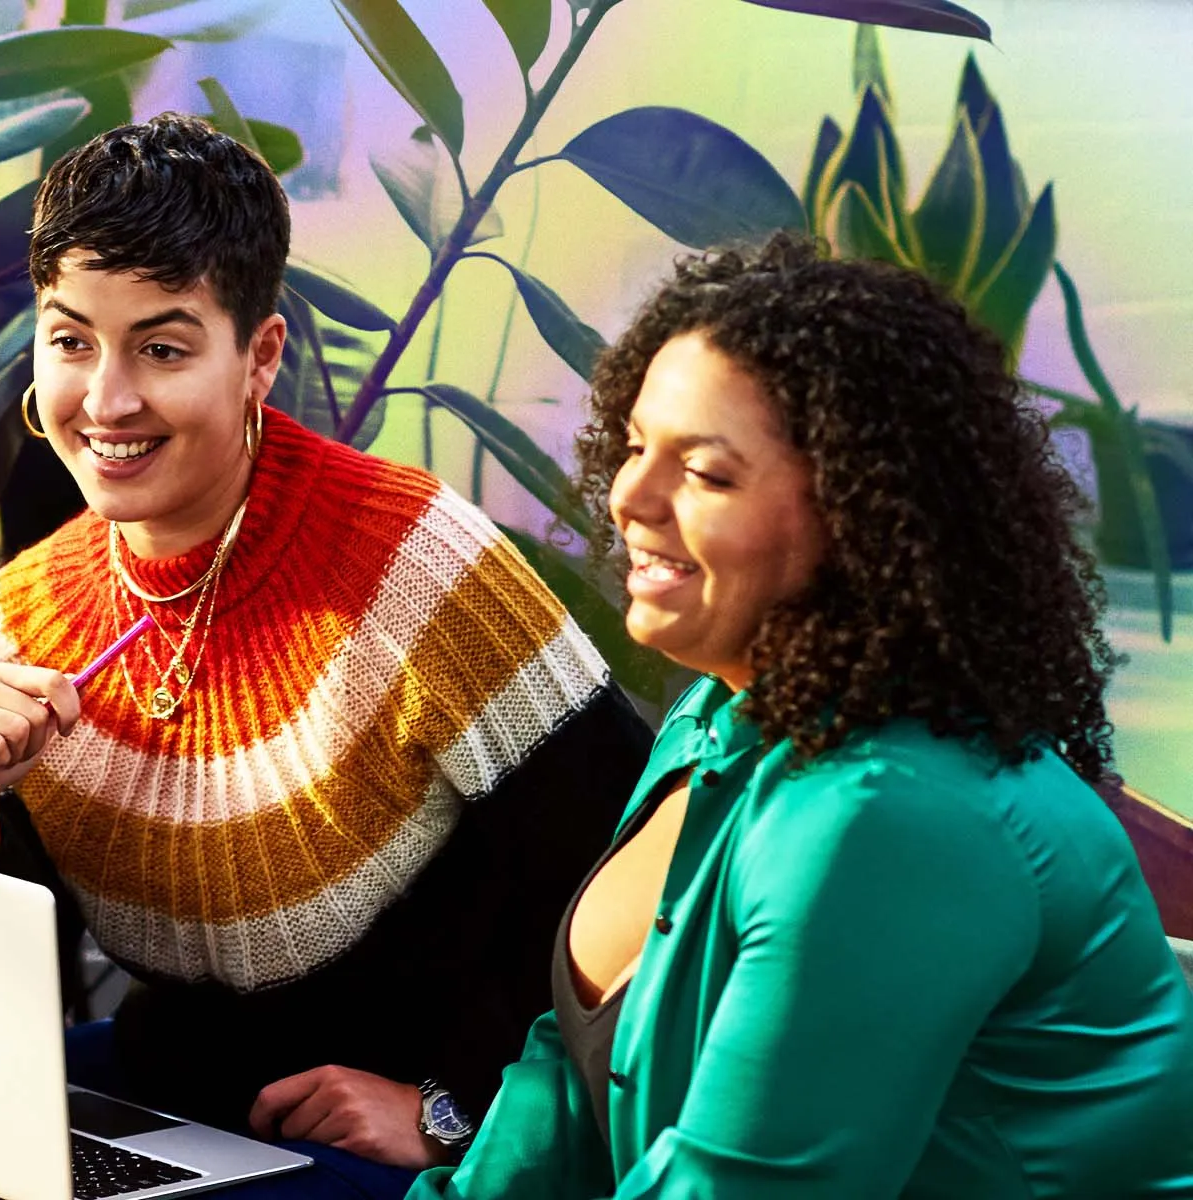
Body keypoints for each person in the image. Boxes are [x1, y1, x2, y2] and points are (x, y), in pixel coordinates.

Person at [0, 113, 652, 1197]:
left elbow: (638, 873)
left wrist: (451, 1103)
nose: (107, 400)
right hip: (171, 1094)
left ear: (260, 358)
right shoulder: (15, 619)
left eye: (164, 346)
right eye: (71, 340)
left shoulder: (419, 566)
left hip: (392, 1123)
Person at [411, 234, 1193, 1199]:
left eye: (705, 473)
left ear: (859, 511)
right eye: (636, 447)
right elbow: (566, 1087)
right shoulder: (720, 712)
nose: (630, 497)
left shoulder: (887, 815)